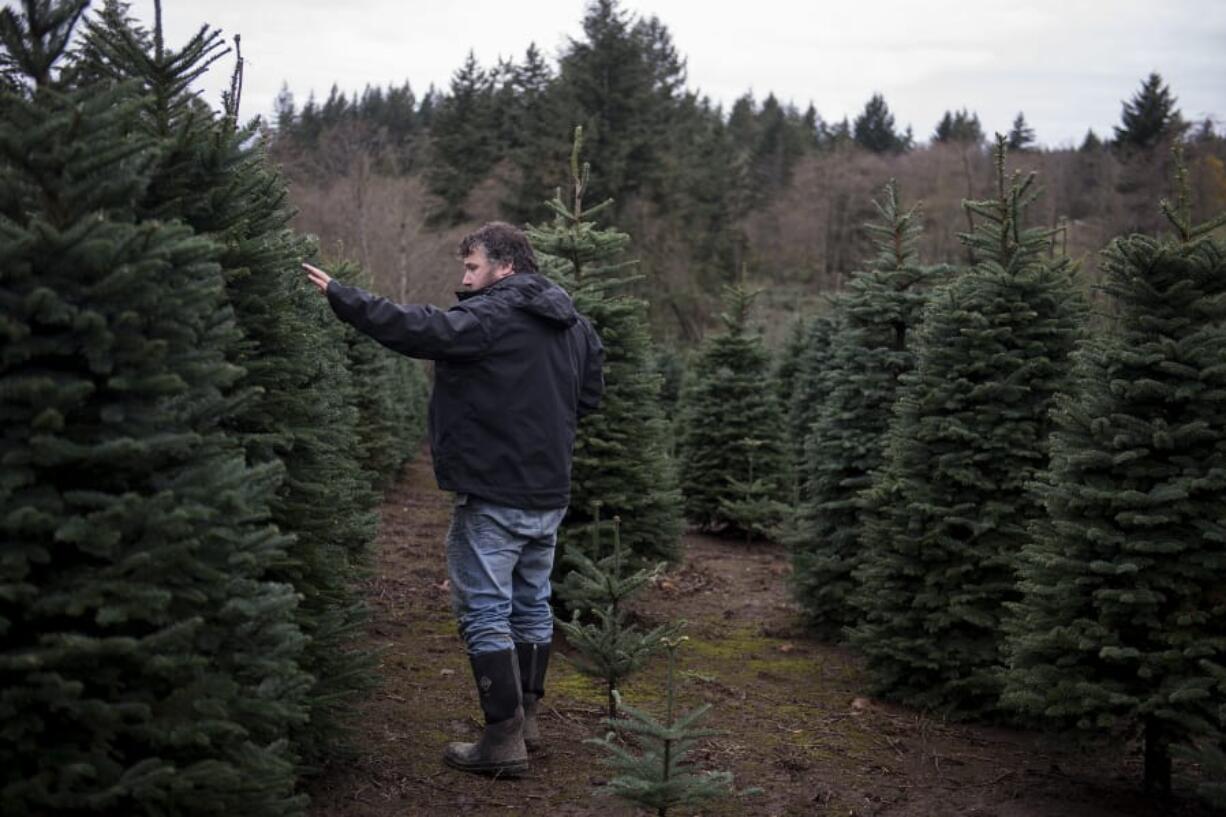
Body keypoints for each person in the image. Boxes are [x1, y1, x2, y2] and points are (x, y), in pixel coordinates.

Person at [303, 222, 604, 778]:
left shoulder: (492, 315)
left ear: (505, 265)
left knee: (485, 609)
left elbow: (423, 330)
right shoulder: (575, 325)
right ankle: (528, 718)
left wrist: (343, 298)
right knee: (532, 603)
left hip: (494, 492)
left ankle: (502, 739)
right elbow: (590, 396)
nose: (464, 279)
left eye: (471, 267)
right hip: (548, 492)